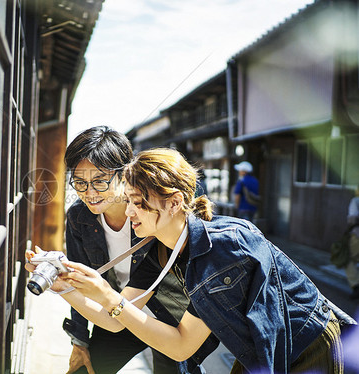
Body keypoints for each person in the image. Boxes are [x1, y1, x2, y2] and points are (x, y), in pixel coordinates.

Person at [28, 147, 355, 373]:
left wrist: (107, 294)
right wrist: (67, 288)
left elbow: (181, 345)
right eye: (127, 201)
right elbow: (117, 320)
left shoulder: (224, 247)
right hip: (259, 349)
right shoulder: (160, 251)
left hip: (305, 345)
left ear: (174, 203)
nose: (129, 212)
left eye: (139, 203)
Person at [62, 127, 214, 374]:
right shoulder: (80, 218)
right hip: (117, 309)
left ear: (124, 175)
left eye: (99, 181)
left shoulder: (155, 213)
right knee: (85, 370)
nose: (89, 193)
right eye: (79, 182)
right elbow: (78, 281)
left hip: (168, 315)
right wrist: (79, 340)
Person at [346, 186, 359, 299]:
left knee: (349, 260)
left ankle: (355, 286)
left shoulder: (356, 201)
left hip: (357, 235)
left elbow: (352, 219)